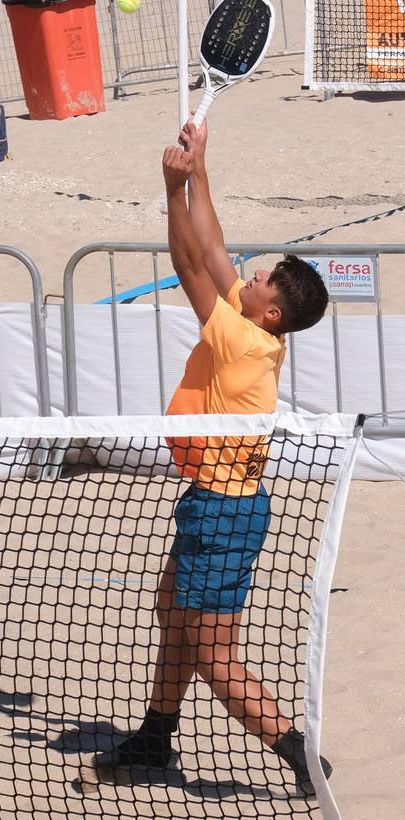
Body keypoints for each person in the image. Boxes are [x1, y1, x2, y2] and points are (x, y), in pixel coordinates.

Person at [108, 120, 331, 797]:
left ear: (268, 314)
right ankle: (154, 737)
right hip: (213, 501)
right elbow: (213, 247)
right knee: (171, 613)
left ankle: (300, 756)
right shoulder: (256, 328)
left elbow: (185, 263)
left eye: (264, 280)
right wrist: (199, 169)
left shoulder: (238, 342)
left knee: (213, 655)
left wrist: (169, 190)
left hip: (224, 513)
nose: (253, 274)